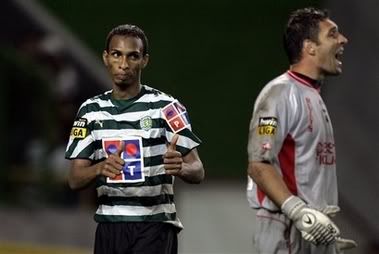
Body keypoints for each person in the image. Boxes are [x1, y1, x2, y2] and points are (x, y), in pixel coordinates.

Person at [65, 24, 205, 254]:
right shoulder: (89, 111)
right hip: (109, 228)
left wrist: (181, 168)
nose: (124, 64)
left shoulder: (168, 108)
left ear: (144, 61)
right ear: (106, 57)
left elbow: (198, 170)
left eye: (133, 56)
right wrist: (99, 168)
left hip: (154, 227)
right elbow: (74, 178)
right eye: (117, 54)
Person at [246, 7, 356, 254]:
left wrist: (323, 237)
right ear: (310, 47)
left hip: (311, 229)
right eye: (332, 34)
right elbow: (258, 164)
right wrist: (299, 211)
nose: (342, 40)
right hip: (286, 228)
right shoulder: (279, 94)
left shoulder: (313, 95)